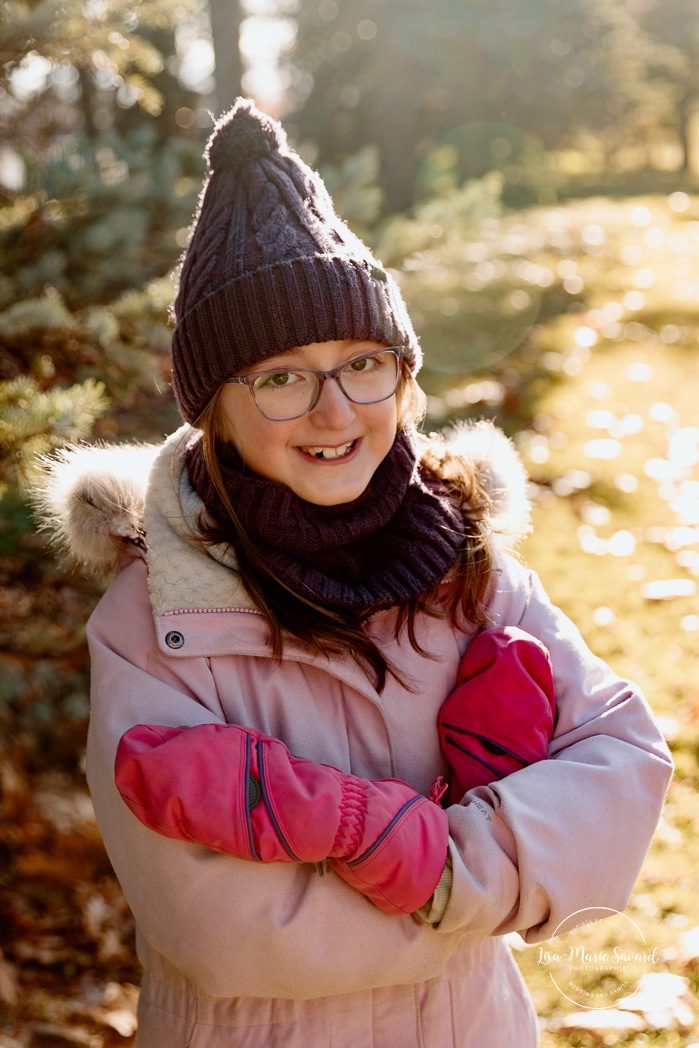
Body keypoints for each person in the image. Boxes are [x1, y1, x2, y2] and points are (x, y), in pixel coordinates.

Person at [36, 98, 672, 1048]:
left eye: (362, 363)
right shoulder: (156, 613)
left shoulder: (465, 564)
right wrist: (472, 892)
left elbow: (621, 765)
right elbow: (217, 931)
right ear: (215, 407)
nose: (334, 412)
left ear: (405, 379)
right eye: (282, 377)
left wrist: (442, 866)